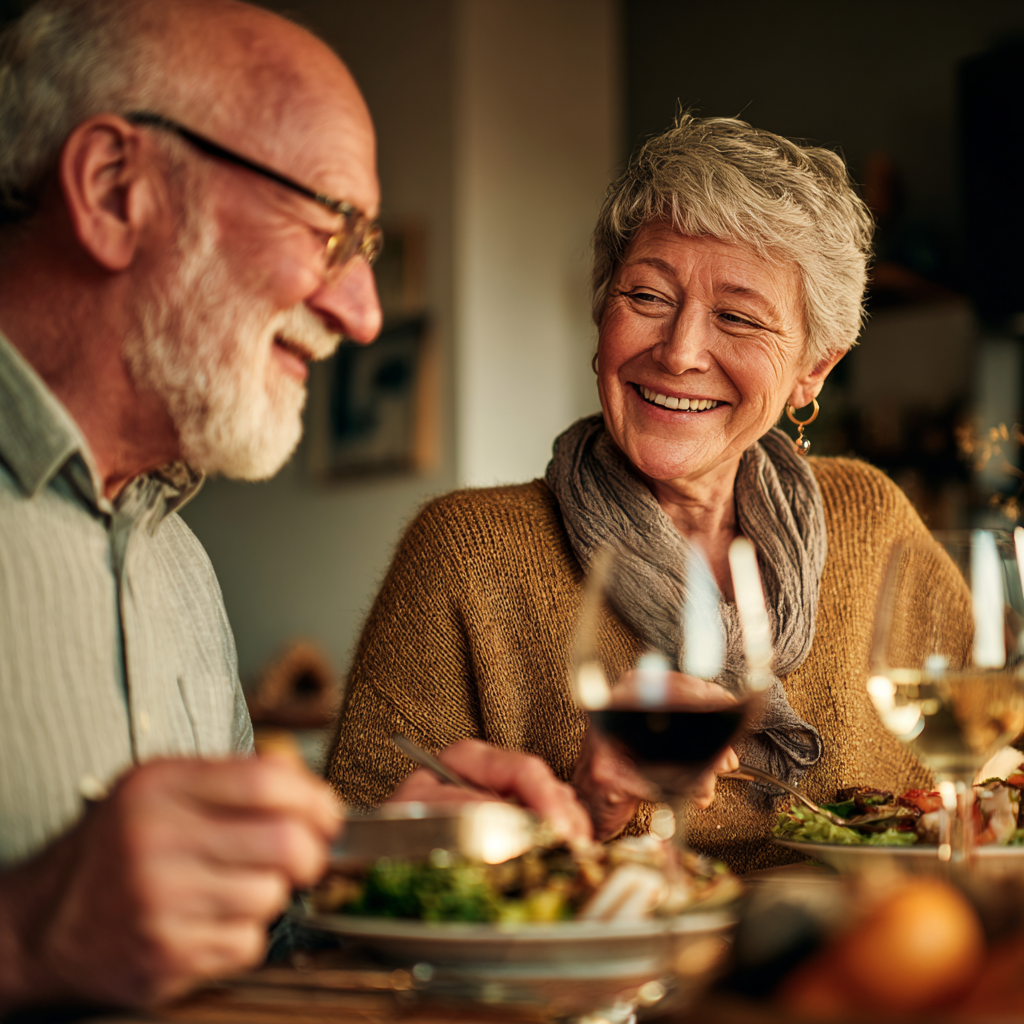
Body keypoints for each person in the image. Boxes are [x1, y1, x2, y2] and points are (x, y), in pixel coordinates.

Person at [0, 0, 589, 1012]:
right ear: (113, 189)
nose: (363, 313)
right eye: (331, 226)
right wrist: (23, 932)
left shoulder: (173, 559)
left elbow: (232, 958)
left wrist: (373, 867)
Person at [327, 113, 941, 872]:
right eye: (647, 297)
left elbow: (989, 770)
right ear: (602, 314)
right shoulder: (465, 553)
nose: (680, 353)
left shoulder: (873, 520)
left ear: (814, 368)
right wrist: (582, 813)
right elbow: (354, 864)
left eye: (739, 317)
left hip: (862, 978)